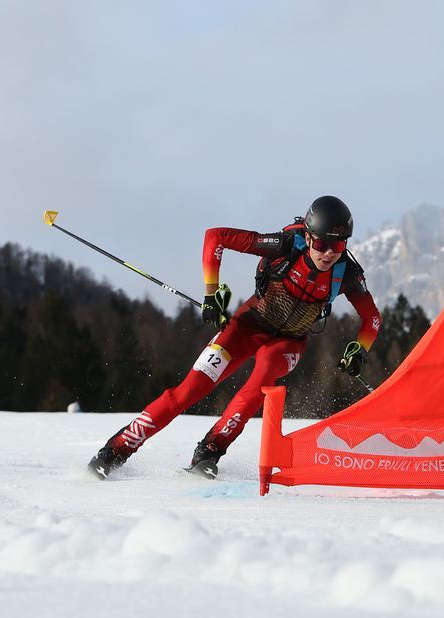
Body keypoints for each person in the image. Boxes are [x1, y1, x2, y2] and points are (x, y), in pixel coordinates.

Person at [88, 195, 382, 479]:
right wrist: (210, 293)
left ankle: (210, 450)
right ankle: (116, 451)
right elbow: (216, 237)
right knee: (190, 390)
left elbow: (372, 318)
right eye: (322, 243)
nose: (329, 252)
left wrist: (360, 349)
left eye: (339, 245)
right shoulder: (282, 246)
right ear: (307, 237)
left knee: (261, 379)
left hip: (289, 342)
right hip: (247, 327)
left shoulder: (347, 273)